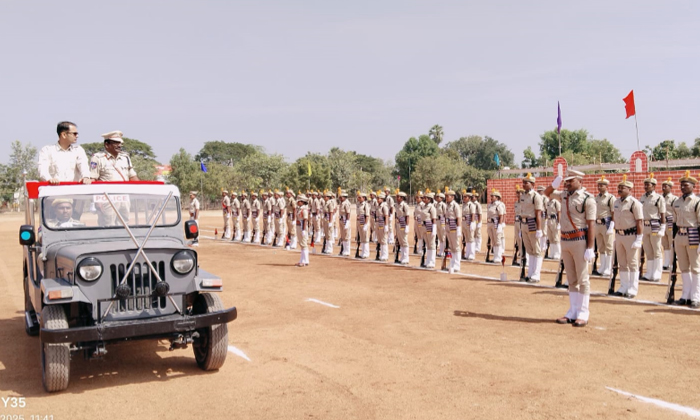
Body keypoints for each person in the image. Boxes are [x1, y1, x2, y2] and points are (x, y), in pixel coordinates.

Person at [544, 169, 596, 327]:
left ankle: (583, 312)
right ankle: (573, 311)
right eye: (566, 181)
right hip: (565, 239)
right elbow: (547, 193)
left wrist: (590, 247)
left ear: (580, 181)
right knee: (571, 279)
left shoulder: (588, 199)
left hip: (579, 239)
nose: (567, 184)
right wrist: (555, 183)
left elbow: (591, 223)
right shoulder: (564, 195)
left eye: (570, 181)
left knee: (583, 278)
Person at [671, 171, 700, 307]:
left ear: (693, 186)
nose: (683, 187)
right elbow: (675, 222)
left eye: (686, 185)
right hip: (680, 236)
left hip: (693, 235)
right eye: (681, 185)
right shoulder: (677, 202)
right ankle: (685, 295)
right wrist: (673, 239)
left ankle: (696, 296)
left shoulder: (697, 202)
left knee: (695, 267)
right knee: (683, 267)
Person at [612, 175, 644, 298]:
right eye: (619, 187)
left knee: (632, 263)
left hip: (631, 235)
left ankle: (632, 288)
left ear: (629, 189)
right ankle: (623, 286)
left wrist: (639, 238)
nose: (619, 189)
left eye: (622, 188)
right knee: (622, 262)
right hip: (619, 235)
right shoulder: (616, 202)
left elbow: (639, 221)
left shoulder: (634, 203)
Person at [640, 173, 666, 282]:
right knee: (648, 249)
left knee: (656, 249)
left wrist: (663, 228)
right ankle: (649, 272)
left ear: (654, 186)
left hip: (654, 224)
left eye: (648, 185)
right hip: (644, 225)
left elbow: (663, 214)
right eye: (645, 185)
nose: (646, 186)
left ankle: (657, 272)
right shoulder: (642, 197)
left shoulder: (658, 198)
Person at [520, 173, 544, 282]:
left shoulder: (536, 196)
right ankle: (530, 273)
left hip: (532, 223)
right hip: (524, 224)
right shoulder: (523, 196)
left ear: (533, 184)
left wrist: (539, 229)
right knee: (529, 250)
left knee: (536, 250)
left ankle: (536, 274)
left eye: (526, 183)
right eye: (523, 182)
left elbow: (538, 213)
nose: (524, 184)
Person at [594, 175, 616, 276]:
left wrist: (612, 225)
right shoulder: (596, 198)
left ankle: (609, 267)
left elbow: (613, 212)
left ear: (607, 187)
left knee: (609, 246)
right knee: (601, 246)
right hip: (597, 224)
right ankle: (602, 266)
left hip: (606, 223)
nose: (600, 187)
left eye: (602, 185)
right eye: (599, 185)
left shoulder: (611, 198)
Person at [661, 177, 678, 270]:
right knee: (665, 243)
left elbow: (676, 212)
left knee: (672, 242)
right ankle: (666, 262)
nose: (663, 188)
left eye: (665, 186)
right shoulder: (659, 197)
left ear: (670, 187)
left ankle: (672, 261)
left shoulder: (674, 199)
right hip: (662, 223)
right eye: (663, 186)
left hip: (671, 222)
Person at [487, 189, 506, 263]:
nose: (491, 197)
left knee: (497, 240)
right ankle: (495, 255)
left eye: (493, 196)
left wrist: (500, 225)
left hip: (496, 223)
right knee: (493, 240)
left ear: (497, 197)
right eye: (491, 196)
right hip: (490, 223)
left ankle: (498, 256)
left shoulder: (499, 205)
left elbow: (501, 215)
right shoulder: (490, 205)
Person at [445, 189, 462, 272]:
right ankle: (452, 262)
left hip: (454, 227)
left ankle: (457, 264)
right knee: (451, 246)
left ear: (452, 197)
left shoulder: (455, 206)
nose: (446, 198)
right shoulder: (447, 205)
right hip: (448, 226)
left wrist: (458, 228)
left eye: (448, 196)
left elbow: (458, 218)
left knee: (456, 246)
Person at [422, 191, 438, 268]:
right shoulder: (424, 206)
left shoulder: (432, 208)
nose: (424, 199)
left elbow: (434, 219)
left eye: (425, 198)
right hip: (424, 226)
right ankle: (428, 260)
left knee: (431, 244)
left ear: (429, 199)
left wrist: (434, 229)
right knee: (428, 244)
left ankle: (432, 261)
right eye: (423, 198)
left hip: (429, 226)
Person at [395, 191, 411, 264]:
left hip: (403, 224)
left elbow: (407, 216)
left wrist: (407, 226)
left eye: (398, 197)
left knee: (404, 241)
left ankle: (406, 257)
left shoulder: (405, 205)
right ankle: (402, 257)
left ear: (402, 198)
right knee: (400, 241)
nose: (397, 198)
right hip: (398, 224)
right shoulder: (397, 205)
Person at [545, 188, 562, 260]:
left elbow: (559, 212)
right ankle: (552, 253)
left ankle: (557, 253)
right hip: (548, 220)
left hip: (554, 220)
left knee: (555, 237)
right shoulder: (548, 202)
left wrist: (559, 223)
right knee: (550, 237)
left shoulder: (556, 202)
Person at [295, 195, 310, 267]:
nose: (297, 202)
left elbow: (305, 219)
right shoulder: (300, 208)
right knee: (301, 244)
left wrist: (303, 230)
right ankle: (301, 260)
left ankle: (305, 261)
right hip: (299, 226)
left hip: (302, 227)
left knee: (304, 244)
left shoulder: (304, 209)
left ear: (302, 202)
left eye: (299, 201)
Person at [375, 192, 390, 261]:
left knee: (384, 239)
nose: (377, 200)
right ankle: (382, 254)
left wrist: (386, 225)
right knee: (380, 239)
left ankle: (385, 255)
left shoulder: (384, 206)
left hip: (383, 224)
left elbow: (386, 216)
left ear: (382, 199)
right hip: (378, 223)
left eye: (379, 198)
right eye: (377, 198)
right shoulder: (378, 206)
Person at [356, 192, 371, 259]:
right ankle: (362, 252)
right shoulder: (358, 204)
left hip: (364, 222)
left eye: (360, 197)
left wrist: (366, 224)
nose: (358, 198)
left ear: (364, 198)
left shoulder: (366, 205)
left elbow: (367, 215)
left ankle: (366, 253)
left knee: (365, 238)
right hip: (359, 222)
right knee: (361, 238)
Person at [461, 190, 475, 260]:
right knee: (466, 239)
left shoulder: (471, 205)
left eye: (465, 197)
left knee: (470, 238)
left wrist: (472, 223)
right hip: (464, 222)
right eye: (463, 197)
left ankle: (471, 253)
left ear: (469, 198)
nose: (464, 198)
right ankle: (467, 253)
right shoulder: (463, 205)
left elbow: (473, 214)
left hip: (469, 222)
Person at [338, 190, 352, 256]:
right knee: (343, 235)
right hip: (341, 219)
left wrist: (347, 222)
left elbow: (348, 213)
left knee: (346, 235)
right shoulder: (341, 203)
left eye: (341, 197)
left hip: (345, 220)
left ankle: (347, 250)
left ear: (344, 197)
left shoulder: (346, 203)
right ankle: (344, 250)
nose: (340, 198)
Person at [435, 190, 447, 257]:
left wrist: (445, 223)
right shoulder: (436, 205)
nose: (437, 198)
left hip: (442, 221)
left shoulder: (443, 205)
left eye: (438, 197)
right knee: (439, 236)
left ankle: (443, 251)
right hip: (437, 221)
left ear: (442, 198)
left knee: (443, 236)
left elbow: (445, 214)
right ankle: (440, 250)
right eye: (437, 197)